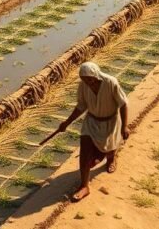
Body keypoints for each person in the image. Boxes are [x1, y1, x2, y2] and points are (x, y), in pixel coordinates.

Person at [55, 62, 129, 202]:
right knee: (85, 151)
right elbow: (81, 106)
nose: (88, 82)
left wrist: (124, 126)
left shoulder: (110, 83)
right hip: (91, 122)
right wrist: (67, 122)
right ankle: (84, 186)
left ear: (96, 76)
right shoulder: (83, 86)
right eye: (84, 79)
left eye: (90, 79)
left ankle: (111, 158)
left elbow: (123, 103)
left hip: (110, 121)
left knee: (109, 147)